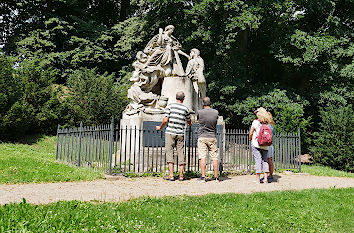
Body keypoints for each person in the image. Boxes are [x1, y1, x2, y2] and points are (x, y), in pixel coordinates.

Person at [156, 91, 192, 181]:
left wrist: (160, 127)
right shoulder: (185, 109)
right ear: (183, 99)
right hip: (180, 133)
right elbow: (189, 121)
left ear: (176, 98)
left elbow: (165, 120)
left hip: (170, 132)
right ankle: (181, 175)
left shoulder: (170, 106)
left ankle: (171, 175)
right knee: (180, 153)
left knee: (169, 152)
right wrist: (189, 123)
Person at [197, 97, 219, 182]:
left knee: (202, 157)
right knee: (214, 157)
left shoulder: (200, 112)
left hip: (202, 136)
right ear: (210, 103)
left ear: (203, 104)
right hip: (212, 136)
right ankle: (216, 177)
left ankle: (203, 177)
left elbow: (199, 121)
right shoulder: (215, 112)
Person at [249, 107, 270, 184]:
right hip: (265, 145)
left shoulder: (255, 122)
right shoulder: (267, 123)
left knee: (258, 160)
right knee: (265, 161)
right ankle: (265, 179)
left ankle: (257, 179)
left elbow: (251, 132)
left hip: (256, 144)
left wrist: (250, 138)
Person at [266, 111, 275, 181]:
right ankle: (270, 174)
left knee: (268, 160)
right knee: (269, 160)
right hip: (270, 145)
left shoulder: (268, 126)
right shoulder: (271, 126)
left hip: (267, 145)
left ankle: (270, 175)